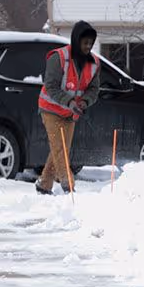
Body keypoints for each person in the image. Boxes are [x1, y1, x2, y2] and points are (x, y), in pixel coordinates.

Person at [36, 21, 100, 195]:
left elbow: (94, 89)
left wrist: (84, 102)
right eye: (85, 42)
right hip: (50, 109)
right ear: (76, 40)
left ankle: (44, 185)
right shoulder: (59, 58)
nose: (88, 47)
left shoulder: (93, 63)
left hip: (71, 113)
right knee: (60, 149)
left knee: (59, 148)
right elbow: (51, 86)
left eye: (91, 43)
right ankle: (69, 186)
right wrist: (70, 102)